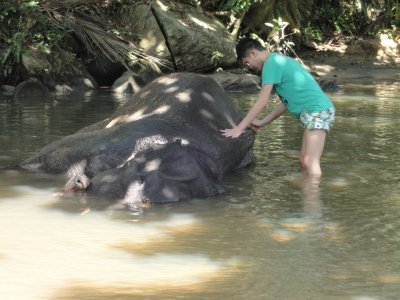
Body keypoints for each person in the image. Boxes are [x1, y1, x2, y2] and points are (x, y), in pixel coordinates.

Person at [221, 37, 335, 176]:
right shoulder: (279, 60)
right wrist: (262, 122)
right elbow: (287, 102)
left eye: (246, 61)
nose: (248, 65)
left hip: (317, 111)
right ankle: (308, 195)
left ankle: (312, 198)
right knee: (305, 161)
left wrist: (239, 128)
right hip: (315, 111)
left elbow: (262, 102)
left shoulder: (271, 64)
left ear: (253, 54)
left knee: (311, 162)